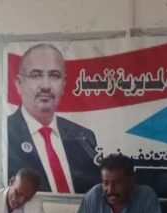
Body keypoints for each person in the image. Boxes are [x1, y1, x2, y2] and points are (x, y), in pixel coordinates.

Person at [7, 43, 100, 194]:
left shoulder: (84, 137)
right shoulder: (5, 134)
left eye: (54, 75)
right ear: (19, 83)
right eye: (36, 75)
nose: (45, 86)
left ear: (64, 84)